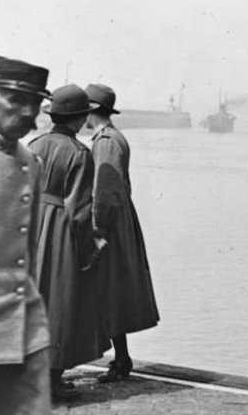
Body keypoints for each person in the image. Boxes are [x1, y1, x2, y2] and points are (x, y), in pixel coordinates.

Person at [28, 84, 109, 400]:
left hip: (33, 227)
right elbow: (78, 209)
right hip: (61, 231)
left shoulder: (33, 145)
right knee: (64, 303)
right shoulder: (78, 154)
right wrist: (88, 247)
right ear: (77, 119)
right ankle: (52, 379)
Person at [85, 84, 160, 383]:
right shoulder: (115, 138)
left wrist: (97, 230)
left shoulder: (105, 142)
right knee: (113, 291)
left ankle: (120, 360)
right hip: (121, 220)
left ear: (91, 111)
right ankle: (121, 357)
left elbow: (104, 192)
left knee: (109, 289)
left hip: (111, 224)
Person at [0, 56, 53, 415]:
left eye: (35, 103)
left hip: (24, 320)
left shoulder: (31, 162)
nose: (27, 112)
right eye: (16, 99)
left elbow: (28, 247)